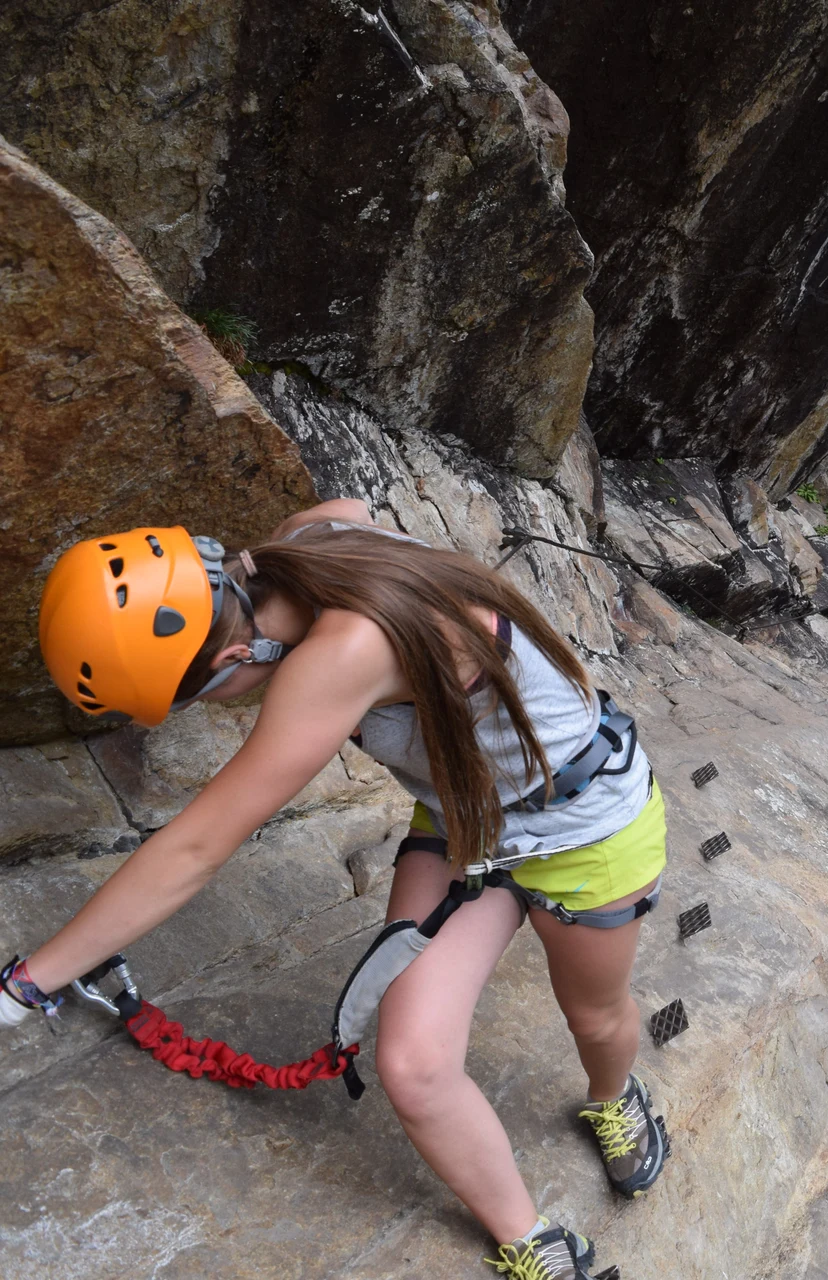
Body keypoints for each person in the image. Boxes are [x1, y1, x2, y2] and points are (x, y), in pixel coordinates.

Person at [5, 501, 669, 1280]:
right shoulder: (302, 542)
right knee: (415, 1067)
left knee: (595, 1015)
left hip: (584, 830)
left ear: (226, 661)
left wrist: (26, 985)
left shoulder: (341, 653)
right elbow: (355, 509)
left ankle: (614, 1096)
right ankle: (528, 1237)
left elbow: (195, 848)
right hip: (465, 814)